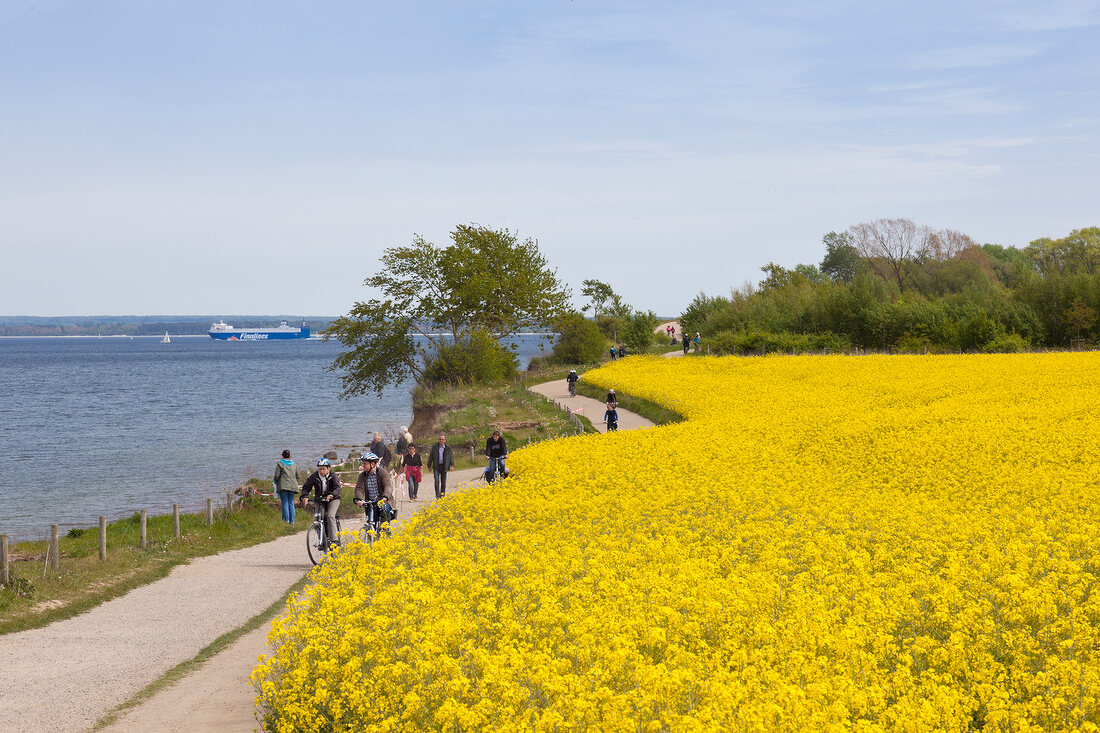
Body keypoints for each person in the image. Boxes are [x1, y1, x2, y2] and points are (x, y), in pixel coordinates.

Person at [301, 458, 341, 547]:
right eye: (319, 469)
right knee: (319, 518)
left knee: (330, 516)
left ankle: (334, 540)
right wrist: (305, 496)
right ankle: (322, 540)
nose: (321, 471)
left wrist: (332, 495)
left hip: (333, 499)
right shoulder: (314, 476)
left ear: (328, 469)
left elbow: (337, 487)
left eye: (323, 469)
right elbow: (306, 487)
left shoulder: (333, 475)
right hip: (320, 500)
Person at [354, 452, 394, 530]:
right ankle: (369, 539)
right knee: (369, 523)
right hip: (370, 502)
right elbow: (359, 488)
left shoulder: (382, 473)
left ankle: (385, 531)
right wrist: (359, 499)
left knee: (385, 509)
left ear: (372, 464)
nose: (363, 465)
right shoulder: (362, 475)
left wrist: (385, 497)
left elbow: (388, 486)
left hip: (383, 500)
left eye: (365, 464)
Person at [273, 450, 299, 523]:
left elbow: (277, 475)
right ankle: (292, 521)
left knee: (285, 503)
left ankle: (286, 520)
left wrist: (275, 482)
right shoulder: (294, 464)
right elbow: (298, 476)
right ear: (290, 455)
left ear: (283, 456)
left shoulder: (280, 464)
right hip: (293, 486)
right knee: (291, 503)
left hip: (283, 486)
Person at [426, 434, 454, 499]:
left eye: (442, 439)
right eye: (440, 439)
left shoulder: (448, 448)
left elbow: (451, 457)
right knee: (436, 481)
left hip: (444, 466)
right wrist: (429, 465)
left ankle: (442, 495)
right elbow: (431, 456)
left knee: (443, 482)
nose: (441, 440)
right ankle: (437, 496)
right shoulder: (435, 447)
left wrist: (452, 465)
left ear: (445, 440)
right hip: (436, 466)